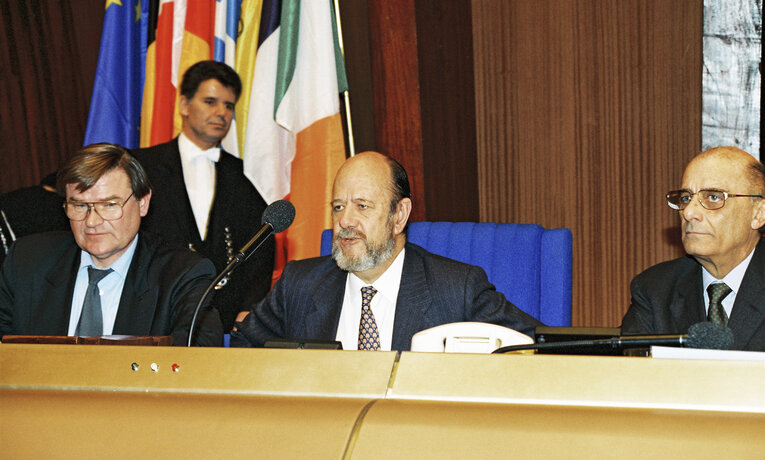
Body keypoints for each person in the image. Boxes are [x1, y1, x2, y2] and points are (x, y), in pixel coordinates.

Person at [231, 151, 541, 350]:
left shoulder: (456, 290)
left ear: (399, 216)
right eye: (338, 207)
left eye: (362, 206)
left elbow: (540, 346)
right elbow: (245, 346)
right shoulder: (300, 284)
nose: (345, 221)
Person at [0, 143, 222, 346]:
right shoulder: (27, 262)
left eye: (109, 205)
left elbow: (197, 362)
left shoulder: (183, 276)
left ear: (142, 202)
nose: (92, 221)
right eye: (79, 206)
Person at [131, 60, 274, 331]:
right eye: (210, 101)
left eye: (229, 106)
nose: (221, 112)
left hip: (225, 325)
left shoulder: (243, 175)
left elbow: (262, 247)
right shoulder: (140, 167)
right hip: (153, 318)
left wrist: (250, 309)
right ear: (184, 105)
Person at [621, 146, 765, 351]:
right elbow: (631, 376)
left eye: (713, 197)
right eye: (686, 198)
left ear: (758, 213)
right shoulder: (655, 289)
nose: (689, 212)